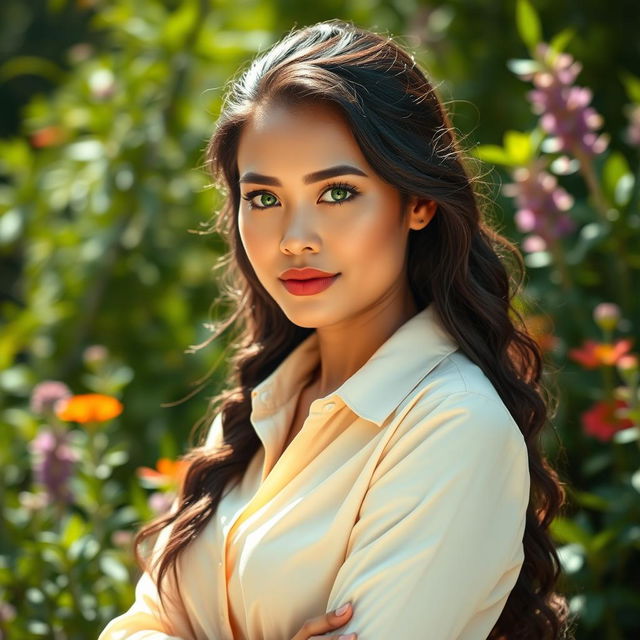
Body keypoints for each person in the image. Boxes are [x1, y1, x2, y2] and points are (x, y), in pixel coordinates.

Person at [98, 18, 574, 640]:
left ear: (418, 202)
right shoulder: (255, 411)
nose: (295, 238)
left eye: (338, 193)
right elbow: (141, 623)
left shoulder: (454, 427)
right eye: (263, 198)